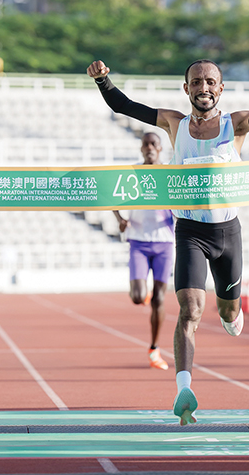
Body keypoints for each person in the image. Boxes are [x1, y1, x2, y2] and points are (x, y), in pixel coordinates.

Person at [87, 57, 249, 426]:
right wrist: (103, 81)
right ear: (186, 89)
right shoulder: (175, 124)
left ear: (221, 88)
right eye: (196, 82)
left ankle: (233, 310)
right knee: (190, 309)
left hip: (227, 232)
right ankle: (183, 390)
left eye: (210, 82)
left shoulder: (236, 124)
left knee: (227, 314)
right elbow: (126, 106)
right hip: (188, 231)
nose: (204, 87)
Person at [112, 132, 175, 371]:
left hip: (164, 243)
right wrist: (120, 219)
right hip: (138, 241)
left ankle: (154, 349)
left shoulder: (170, 174)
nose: (149, 148)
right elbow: (113, 198)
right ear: (141, 149)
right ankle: (143, 294)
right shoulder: (132, 174)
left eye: (154, 144)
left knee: (160, 298)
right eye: (146, 144)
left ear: (160, 149)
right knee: (138, 297)